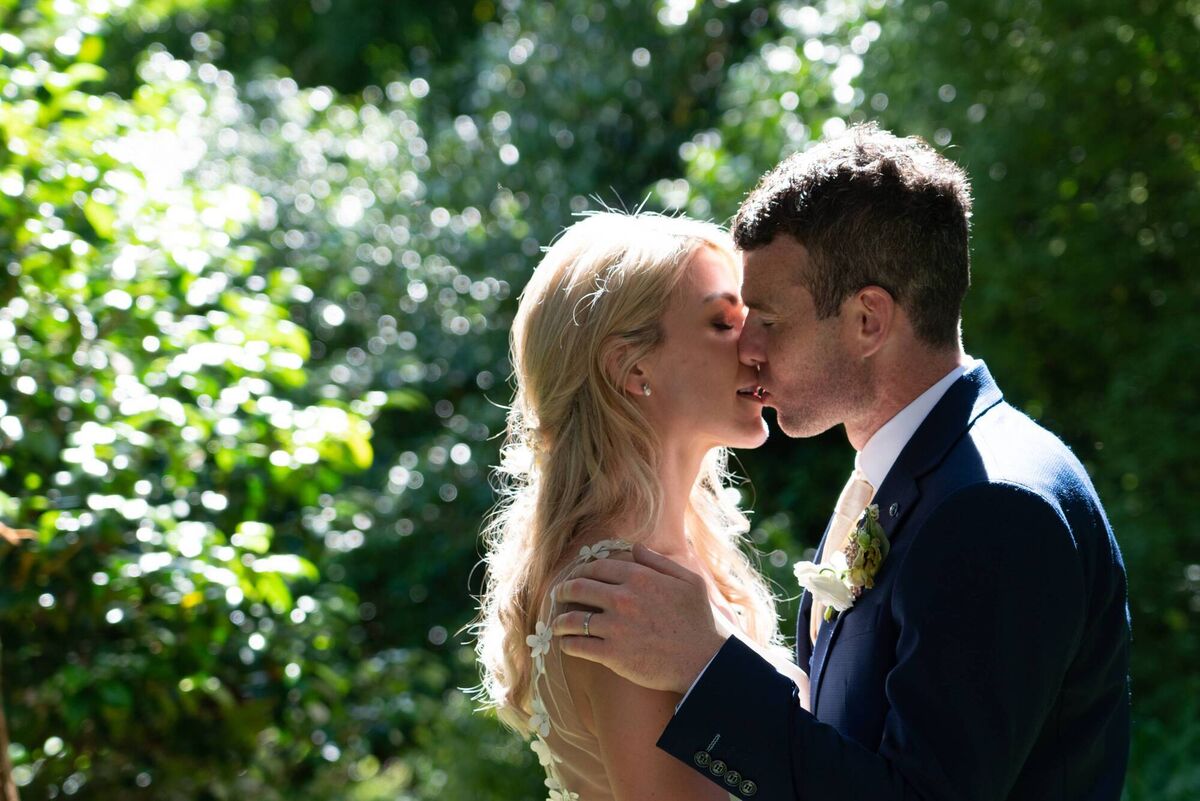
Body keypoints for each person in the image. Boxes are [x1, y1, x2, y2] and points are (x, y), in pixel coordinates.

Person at [552, 125, 1131, 800]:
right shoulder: (899, 482)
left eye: (768, 318)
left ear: (867, 321)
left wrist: (708, 664)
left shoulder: (995, 507)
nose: (749, 347)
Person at [473, 211, 808, 801]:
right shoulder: (620, 596)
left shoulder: (664, 565)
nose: (757, 347)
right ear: (632, 369)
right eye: (724, 322)